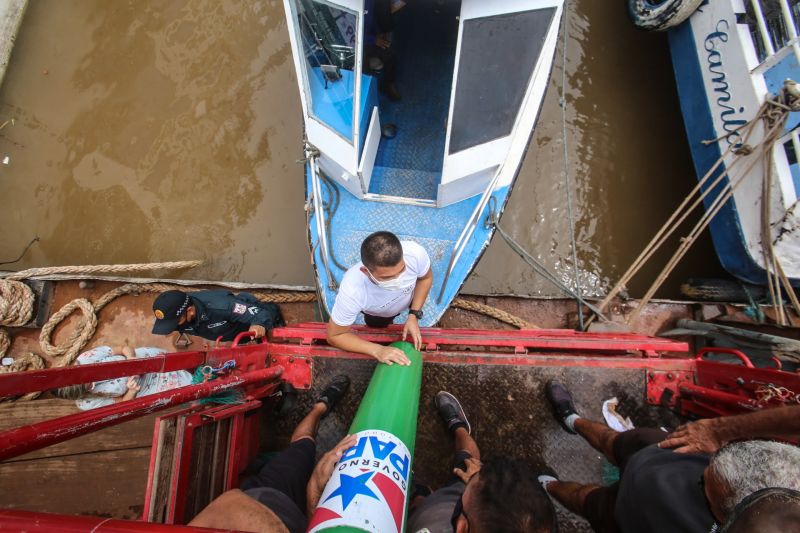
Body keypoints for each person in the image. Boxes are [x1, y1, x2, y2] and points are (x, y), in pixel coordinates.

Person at [539, 381, 800, 533]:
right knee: (616, 441)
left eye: (705, 487)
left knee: (588, 500)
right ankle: (572, 420)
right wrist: (720, 430)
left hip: (643, 518)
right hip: (675, 456)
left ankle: (546, 485)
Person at [189, 375, 353, 533]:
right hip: (305, 519)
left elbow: (230, 504)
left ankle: (320, 407)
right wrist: (314, 492)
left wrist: (313, 494)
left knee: (303, 446)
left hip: (269, 496)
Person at [407, 391, 557, 533]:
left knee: (466, 463)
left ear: (462, 527)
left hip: (430, 515)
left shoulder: (433, 525)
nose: (474, 474)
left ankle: (419, 498)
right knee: (468, 464)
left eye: (461, 504)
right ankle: (458, 427)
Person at [327, 231, 433, 365]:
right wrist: (378, 350)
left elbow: (425, 278)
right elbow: (335, 335)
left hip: (409, 298)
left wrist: (414, 315)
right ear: (365, 272)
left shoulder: (415, 254)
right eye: (386, 278)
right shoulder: (353, 290)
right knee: (376, 325)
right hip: (378, 312)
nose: (398, 280)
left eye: (402, 271)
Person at [52, 344, 193, 410]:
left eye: (83, 374)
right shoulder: (87, 403)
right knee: (193, 383)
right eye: (86, 385)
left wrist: (131, 358)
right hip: (150, 387)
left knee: (186, 361)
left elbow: (122, 347)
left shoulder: (85, 359)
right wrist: (132, 390)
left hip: (147, 358)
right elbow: (122, 404)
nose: (89, 380)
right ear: (81, 394)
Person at [151, 289, 283, 342]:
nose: (173, 326)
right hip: (231, 334)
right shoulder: (179, 314)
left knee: (268, 317)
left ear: (190, 311)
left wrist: (258, 324)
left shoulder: (222, 306)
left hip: (251, 322)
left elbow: (261, 314)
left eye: (175, 322)